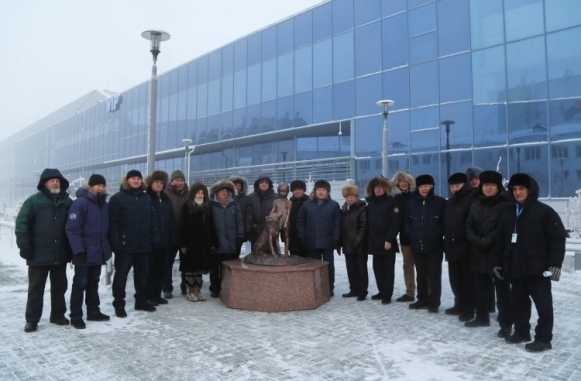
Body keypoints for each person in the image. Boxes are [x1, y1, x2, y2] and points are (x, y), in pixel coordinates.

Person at [494, 173, 566, 352]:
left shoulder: (544, 212)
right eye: (515, 189)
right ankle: (521, 331)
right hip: (515, 268)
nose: (517, 192)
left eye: (521, 189)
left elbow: (557, 240)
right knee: (519, 303)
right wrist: (498, 263)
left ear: (530, 190)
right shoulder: (507, 211)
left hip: (538, 269)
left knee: (543, 305)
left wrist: (554, 265)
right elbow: (500, 239)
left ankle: (543, 338)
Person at [16, 168, 73, 333]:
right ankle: (32, 320)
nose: (55, 183)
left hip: (60, 253)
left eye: (57, 180)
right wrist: (24, 246)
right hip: (38, 253)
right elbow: (22, 225)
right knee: (36, 288)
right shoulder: (33, 202)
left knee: (60, 286)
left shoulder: (68, 202)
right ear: (44, 183)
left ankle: (57, 315)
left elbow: (75, 226)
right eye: (51, 180)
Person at [465, 171, 511, 334]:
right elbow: (468, 225)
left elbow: (502, 228)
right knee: (479, 287)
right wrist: (476, 240)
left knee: (502, 289)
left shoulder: (505, 204)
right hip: (478, 251)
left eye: (492, 185)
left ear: (498, 187)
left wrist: (486, 240)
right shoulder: (475, 204)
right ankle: (481, 316)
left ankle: (505, 323)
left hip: (497, 252)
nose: (488, 188)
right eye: (486, 185)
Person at [109, 170, 160, 317]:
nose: (136, 181)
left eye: (138, 178)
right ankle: (119, 304)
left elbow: (153, 220)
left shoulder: (146, 198)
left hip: (144, 245)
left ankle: (141, 302)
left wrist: (155, 238)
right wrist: (116, 243)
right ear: (127, 180)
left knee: (142, 276)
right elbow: (113, 224)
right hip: (125, 246)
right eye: (133, 178)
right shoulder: (117, 199)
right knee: (121, 276)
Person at [65, 174, 112, 329]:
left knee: (93, 282)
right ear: (90, 186)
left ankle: (93, 311)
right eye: (98, 185)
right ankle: (76, 315)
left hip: (98, 252)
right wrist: (78, 250)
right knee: (80, 283)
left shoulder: (103, 205)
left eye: (103, 186)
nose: (101, 188)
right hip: (83, 252)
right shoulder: (80, 203)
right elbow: (72, 229)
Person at [405, 174, 446, 313]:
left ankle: (434, 302)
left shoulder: (440, 202)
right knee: (421, 274)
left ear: (432, 187)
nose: (423, 189)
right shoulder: (412, 203)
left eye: (426, 186)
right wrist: (411, 233)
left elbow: (444, 222)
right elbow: (407, 221)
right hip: (417, 245)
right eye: (421, 186)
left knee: (434, 276)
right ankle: (422, 299)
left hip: (434, 246)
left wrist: (436, 233)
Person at [297, 179, 341, 296]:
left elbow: (337, 224)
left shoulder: (334, 205)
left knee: (328, 266)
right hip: (311, 241)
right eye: (319, 190)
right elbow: (300, 221)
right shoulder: (307, 205)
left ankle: (329, 287)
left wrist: (336, 239)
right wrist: (302, 236)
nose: (321, 192)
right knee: (314, 266)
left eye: (324, 190)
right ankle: (316, 288)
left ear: (328, 192)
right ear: (315, 191)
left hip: (328, 241)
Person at [443, 173, 475, 322]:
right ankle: (459, 304)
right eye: (452, 186)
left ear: (464, 185)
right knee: (455, 280)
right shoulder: (450, 202)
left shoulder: (471, 200)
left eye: (457, 186)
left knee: (467, 281)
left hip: (465, 248)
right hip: (451, 247)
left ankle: (469, 309)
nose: (454, 189)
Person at [179, 183, 217, 302]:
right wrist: (183, 244)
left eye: (202, 193)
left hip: (203, 243)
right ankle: (190, 291)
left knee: (200, 268)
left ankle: (197, 290)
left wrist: (213, 242)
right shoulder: (187, 206)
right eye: (198, 192)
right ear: (193, 193)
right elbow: (182, 227)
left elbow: (212, 226)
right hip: (190, 243)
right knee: (190, 269)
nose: (200, 195)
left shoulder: (207, 207)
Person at [365, 177, 401, 305]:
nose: (378, 190)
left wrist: (389, 239)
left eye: (381, 187)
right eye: (376, 188)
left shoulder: (391, 202)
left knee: (388, 270)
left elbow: (395, 223)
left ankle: (387, 294)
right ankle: (381, 291)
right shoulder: (371, 203)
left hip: (387, 243)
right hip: (374, 242)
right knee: (377, 269)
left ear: (386, 189)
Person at [208, 179, 245, 298]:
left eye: (226, 191)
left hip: (231, 243)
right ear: (216, 193)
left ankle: (227, 288)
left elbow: (239, 222)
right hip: (216, 243)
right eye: (221, 191)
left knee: (228, 268)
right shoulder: (210, 206)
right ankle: (215, 288)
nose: (224, 193)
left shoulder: (234, 205)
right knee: (214, 268)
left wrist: (240, 237)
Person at [145, 170, 175, 307]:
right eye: (156, 182)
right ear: (151, 183)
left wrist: (172, 237)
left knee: (161, 270)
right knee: (150, 271)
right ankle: (149, 296)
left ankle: (157, 295)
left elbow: (171, 219)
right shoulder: (146, 198)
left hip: (164, 241)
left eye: (161, 182)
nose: (159, 184)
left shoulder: (166, 199)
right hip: (151, 242)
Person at [163, 170, 189, 299]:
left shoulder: (189, 194)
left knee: (186, 263)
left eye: (181, 180)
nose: (179, 183)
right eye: (176, 180)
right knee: (167, 262)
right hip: (169, 235)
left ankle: (185, 287)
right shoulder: (165, 194)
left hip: (185, 235)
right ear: (171, 181)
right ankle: (167, 288)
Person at [391, 171, 417, 302]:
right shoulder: (397, 198)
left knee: (423, 267)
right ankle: (410, 292)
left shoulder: (416, 195)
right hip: (405, 238)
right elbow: (396, 220)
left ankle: (427, 293)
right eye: (401, 181)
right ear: (397, 184)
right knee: (408, 266)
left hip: (419, 236)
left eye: (405, 181)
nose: (403, 184)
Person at [339, 185, 368, 301]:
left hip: (359, 245)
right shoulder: (344, 211)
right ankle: (354, 289)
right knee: (351, 269)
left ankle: (362, 291)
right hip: (347, 245)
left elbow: (363, 226)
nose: (349, 199)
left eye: (351, 197)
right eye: (347, 197)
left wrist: (357, 241)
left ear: (356, 197)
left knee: (361, 269)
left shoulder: (362, 209)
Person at [246, 174, 276, 249]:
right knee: (256, 254)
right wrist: (252, 224)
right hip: (256, 232)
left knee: (272, 255)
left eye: (266, 183)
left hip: (271, 231)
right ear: (258, 184)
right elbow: (247, 213)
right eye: (261, 182)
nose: (264, 184)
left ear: (269, 185)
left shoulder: (276, 197)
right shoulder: (250, 197)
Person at [228, 175, 251, 257]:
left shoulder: (246, 199)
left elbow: (248, 216)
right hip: (227, 232)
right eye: (235, 184)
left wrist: (246, 231)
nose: (237, 187)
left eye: (239, 185)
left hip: (239, 232)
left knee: (236, 255)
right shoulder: (226, 197)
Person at [288, 180, 309, 257]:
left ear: (303, 190)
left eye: (299, 189)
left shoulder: (309, 202)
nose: (297, 191)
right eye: (295, 190)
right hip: (293, 237)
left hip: (306, 237)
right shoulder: (289, 203)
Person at [271, 182, 292, 256]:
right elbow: (273, 210)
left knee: (286, 236)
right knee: (276, 236)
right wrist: (271, 215)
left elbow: (288, 213)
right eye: (281, 191)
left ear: (287, 192)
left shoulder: (289, 202)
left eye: (284, 191)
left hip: (285, 220)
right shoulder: (275, 201)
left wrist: (286, 222)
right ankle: (279, 252)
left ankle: (286, 252)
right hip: (277, 221)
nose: (283, 193)